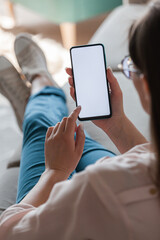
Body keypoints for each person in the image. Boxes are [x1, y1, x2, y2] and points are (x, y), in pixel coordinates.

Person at [0, 1, 160, 238]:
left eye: (132, 69)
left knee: (42, 130)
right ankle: (39, 93)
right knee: (71, 138)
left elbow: (10, 231)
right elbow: (148, 159)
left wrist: (54, 172)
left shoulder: (99, 189)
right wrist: (116, 124)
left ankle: (40, 86)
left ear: (146, 86)